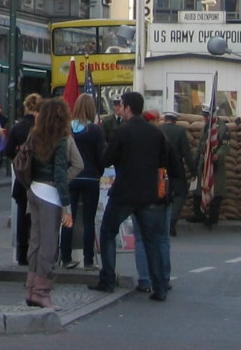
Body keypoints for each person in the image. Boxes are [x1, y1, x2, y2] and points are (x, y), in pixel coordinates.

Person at [89, 92, 177, 301]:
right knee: (152, 240)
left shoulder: (122, 132)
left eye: (121, 105)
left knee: (108, 232)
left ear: (127, 108)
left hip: (124, 193)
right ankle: (160, 287)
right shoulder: (155, 133)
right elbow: (163, 162)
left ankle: (107, 279)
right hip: (148, 194)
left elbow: (105, 159)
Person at [24, 97, 75, 310]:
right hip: (50, 194)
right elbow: (60, 175)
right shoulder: (61, 139)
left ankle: (30, 287)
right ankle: (41, 292)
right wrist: (67, 207)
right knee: (49, 245)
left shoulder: (34, 135)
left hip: (34, 189)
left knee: (35, 242)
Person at [60, 92, 105, 270]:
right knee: (88, 220)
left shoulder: (68, 129)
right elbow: (101, 156)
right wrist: (98, 172)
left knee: (68, 218)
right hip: (91, 177)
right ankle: (88, 260)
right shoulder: (95, 130)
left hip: (71, 177)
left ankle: (65, 257)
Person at [6, 92, 41, 266]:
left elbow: (8, 151)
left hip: (22, 178)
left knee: (21, 215)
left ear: (26, 106)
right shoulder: (43, 127)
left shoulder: (18, 128)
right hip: (40, 177)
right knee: (39, 218)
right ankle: (38, 254)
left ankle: (22, 253)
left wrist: (18, 159)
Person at [160, 111, 195, 241]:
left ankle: (162, 223)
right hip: (177, 169)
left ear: (165, 119)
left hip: (161, 170)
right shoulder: (180, 132)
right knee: (180, 194)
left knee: (163, 196)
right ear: (175, 120)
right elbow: (186, 153)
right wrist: (193, 171)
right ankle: (171, 222)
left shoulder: (159, 130)